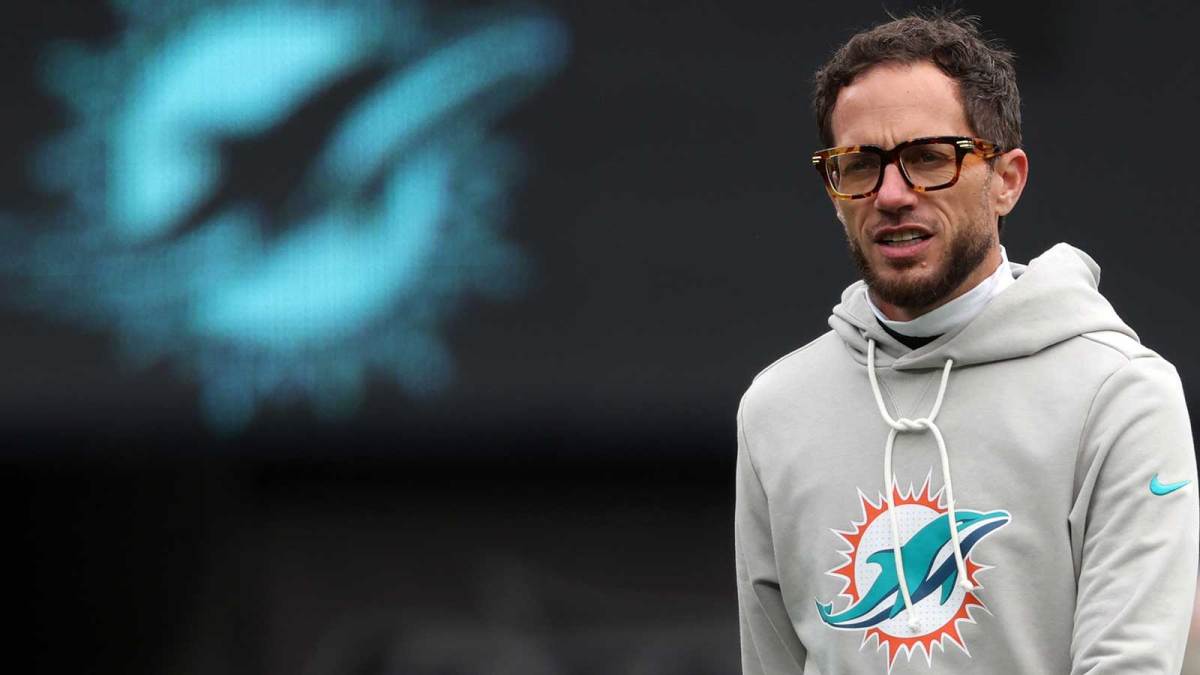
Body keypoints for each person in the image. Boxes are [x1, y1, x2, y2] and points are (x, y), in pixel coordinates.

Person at [734, 11, 1198, 674]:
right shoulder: (775, 409)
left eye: (929, 158)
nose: (891, 194)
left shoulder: (1120, 395)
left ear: (1006, 178)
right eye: (860, 165)